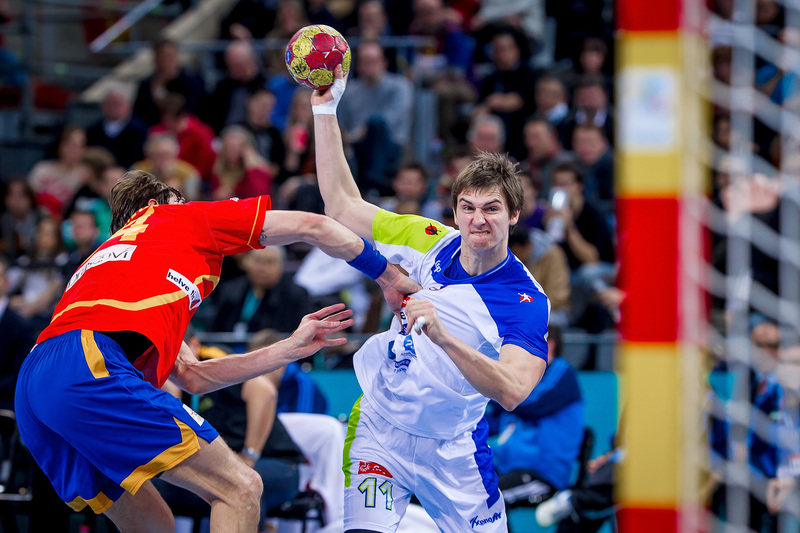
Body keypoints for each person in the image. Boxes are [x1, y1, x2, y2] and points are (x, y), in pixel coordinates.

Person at [14, 169, 420, 532]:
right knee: (240, 488)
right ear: (155, 205)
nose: (189, 205)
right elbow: (313, 225)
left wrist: (287, 349)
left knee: (154, 524)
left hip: (35, 384)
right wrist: (386, 275)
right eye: (181, 200)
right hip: (87, 364)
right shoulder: (176, 218)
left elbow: (194, 377)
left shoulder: (109, 263)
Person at [311, 66, 550, 532]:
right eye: (468, 208)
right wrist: (325, 109)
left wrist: (441, 335)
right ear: (454, 211)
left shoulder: (524, 299)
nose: (478, 220)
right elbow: (341, 205)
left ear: (514, 215)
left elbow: (513, 391)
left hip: (455, 448)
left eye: (492, 208)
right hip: (380, 430)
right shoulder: (428, 239)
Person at [488, 324, 584, 512]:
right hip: (509, 467)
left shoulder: (562, 371)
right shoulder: (521, 384)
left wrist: (487, 389)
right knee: (468, 492)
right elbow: (496, 421)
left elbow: (531, 405)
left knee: (489, 501)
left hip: (543, 474)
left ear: (549, 345)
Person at [211, 245, 311, 335]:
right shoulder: (230, 290)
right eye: (258, 261)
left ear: (281, 266)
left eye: (269, 262)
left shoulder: (296, 296)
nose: (262, 268)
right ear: (247, 262)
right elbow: (214, 331)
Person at [132, 38, 206, 127]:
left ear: (177, 56)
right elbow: (141, 114)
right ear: (155, 59)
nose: (166, 62)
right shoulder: (146, 85)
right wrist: (158, 86)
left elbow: (196, 110)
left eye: (170, 56)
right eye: (162, 57)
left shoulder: (192, 81)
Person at [85, 83, 149, 169]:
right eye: (109, 103)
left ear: (128, 106)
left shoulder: (140, 130)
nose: (113, 107)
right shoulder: (93, 131)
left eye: (117, 103)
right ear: (103, 106)